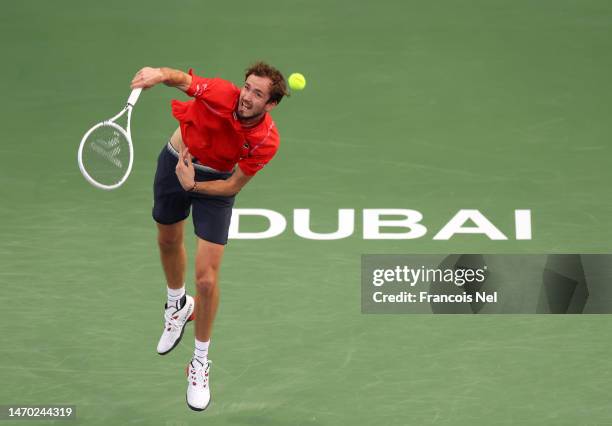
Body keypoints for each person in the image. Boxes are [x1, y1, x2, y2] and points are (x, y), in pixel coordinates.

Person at [130, 62, 288, 411]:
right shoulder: (220, 92)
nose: (246, 96)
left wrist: (195, 185)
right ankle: (176, 304)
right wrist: (157, 74)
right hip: (175, 162)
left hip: (213, 183)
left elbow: (233, 184)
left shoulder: (265, 140)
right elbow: (183, 79)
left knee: (206, 280)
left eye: (257, 94)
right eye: (247, 87)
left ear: (270, 104)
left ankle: (199, 362)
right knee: (168, 239)